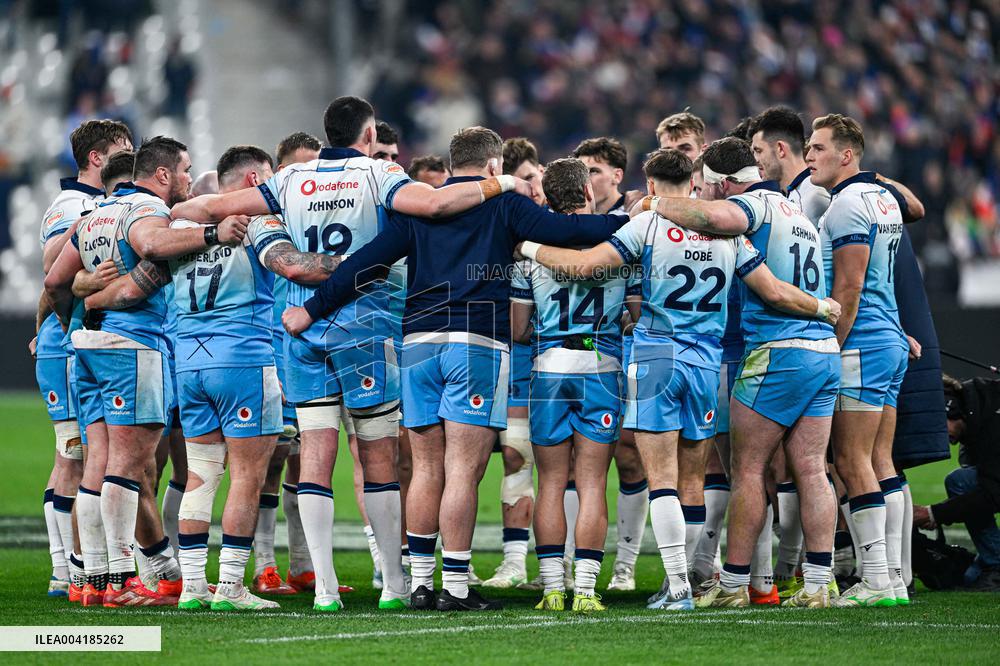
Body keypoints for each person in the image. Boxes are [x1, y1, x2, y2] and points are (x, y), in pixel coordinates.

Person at [170, 97, 535, 613]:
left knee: (315, 462)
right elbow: (434, 206)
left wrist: (175, 213)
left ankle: (322, 589)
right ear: (367, 136)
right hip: (366, 328)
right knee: (379, 459)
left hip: (302, 332)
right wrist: (503, 183)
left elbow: (207, 207)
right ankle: (392, 583)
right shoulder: (378, 173)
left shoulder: (291, 179)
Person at [282, 125, 625, 611]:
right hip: (476, 344)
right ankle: (456, 588)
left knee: (424, 469)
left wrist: (311, 309)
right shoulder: (504, 203)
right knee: (462, 472)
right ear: (493, 166)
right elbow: (570, 230)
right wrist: (638, 221)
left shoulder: (416, 205)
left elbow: (366, 263)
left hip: (417, 345)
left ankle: (420, 583)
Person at [520, 146, 838, 611]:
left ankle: (679, 588)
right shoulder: (731, 237)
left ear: (650, 187)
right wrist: (820, 307)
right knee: (695, 479)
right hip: (707, 364)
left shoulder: (645, 224)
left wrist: (526, 245)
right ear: (693, 186)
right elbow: (772, 290)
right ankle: (695, 577)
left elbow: (585, 267)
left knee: (661, 480)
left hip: (656, 358)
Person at [637, 138, 842, 608]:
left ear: (724, 183)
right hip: (822, 351)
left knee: (747, 469)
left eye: (707, 187)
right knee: (812, 470)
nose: (704, 197)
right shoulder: (794, 211)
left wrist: (652, 201)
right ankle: (818, 583)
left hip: (778, 350)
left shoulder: (750, 207)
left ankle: (732, 584)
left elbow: (711, 220)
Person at [44, 136, 245, 607]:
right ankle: (119, 577)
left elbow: (55, 280)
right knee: (130, 466)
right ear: (161, 175)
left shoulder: (95, 214)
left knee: (98, 461)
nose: (187, 179)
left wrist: (75, 317)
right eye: (185, 170)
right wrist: (215, 234)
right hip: (134, 345)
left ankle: (90, 579)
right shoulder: (144, 211)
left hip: (88, 346)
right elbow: (152, 243)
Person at [512, 158, 627, 612]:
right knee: (594, 483)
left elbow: (519, 328)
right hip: (602, 364)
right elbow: (634, 313)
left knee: (552, 482)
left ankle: (552, 588)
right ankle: (585, 591)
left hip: (550, 365)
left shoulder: (532, 248)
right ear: (585, 193)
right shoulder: (620, 242)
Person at [806, 114, 908, 607]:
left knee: (850, 461)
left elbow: (849, 285)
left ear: (846, 155)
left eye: (818, 148)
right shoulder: (883, 198)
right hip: (887, 338)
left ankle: (875, 580)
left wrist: (833, 344)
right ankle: (892, 575)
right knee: (877, 460)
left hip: (861, 344)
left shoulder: (845, 206)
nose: (809, 157)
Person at [34, 119, 132, 597]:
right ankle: (64, 568)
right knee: (73, 454)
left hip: (85, 338)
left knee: (92, 454)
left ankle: (84, 564)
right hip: (68, 341)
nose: (132, 155)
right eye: (123, 149)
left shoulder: (96, 203)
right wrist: (96, 220)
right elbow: (55, 263)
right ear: (98, 158)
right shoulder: (73, 204)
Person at [572, 136, 649, 593]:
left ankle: (626, 566)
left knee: (631, 457)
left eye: (595, 170)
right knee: (579, 461)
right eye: (581, 170)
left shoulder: (636, 217)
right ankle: (568, 566)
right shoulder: (568, 220)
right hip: (587, 355)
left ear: (618, 176)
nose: (588, 178)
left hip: (631, 353)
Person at [481, 137, 546, 590]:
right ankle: (505, 563)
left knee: (535, 460)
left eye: (536, 181)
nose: (535, 191)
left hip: (541, 363)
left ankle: (541, 565)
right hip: (497, 359)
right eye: (526, 182)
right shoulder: (491, 232)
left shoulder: (550, 231)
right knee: (499, 459)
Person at [914, 375, 1000, 590]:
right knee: (960, 481)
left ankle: (997, 567)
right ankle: (994, 563)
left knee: (961, 482)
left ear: (950, 412)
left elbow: (992, 494)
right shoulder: (978, 414)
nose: (941, 439)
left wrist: (934, 513)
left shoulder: (992, 424)